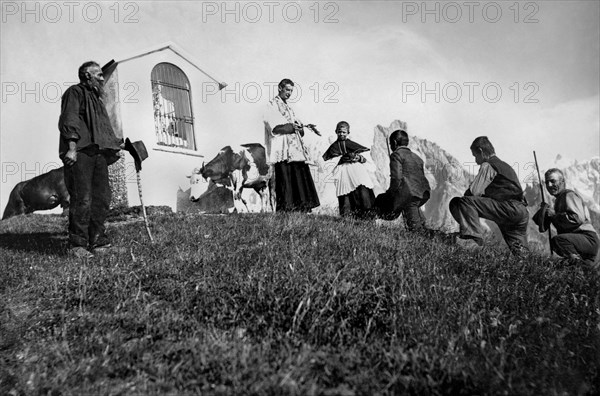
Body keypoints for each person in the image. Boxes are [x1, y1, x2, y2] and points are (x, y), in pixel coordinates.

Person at [59, 61, 122, 258]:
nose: (103, 78)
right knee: (82, 198)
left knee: (102, 198)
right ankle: (77, 245)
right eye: (99, 75)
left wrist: (115, 144)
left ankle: (98, 241)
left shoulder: (97, 99)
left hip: (99, 153)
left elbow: (102, 129)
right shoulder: (74, 92)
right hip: (81, 151)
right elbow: (69, 119)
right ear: (87, 75)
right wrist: (71, 148)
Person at [449, 136, 528, 254]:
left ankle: (471, 239)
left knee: (463, 201)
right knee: (520, 249)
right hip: (521, 212)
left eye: (475, 156)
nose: (476, 161)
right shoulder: (505, 166)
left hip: (507, 208)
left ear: (481, 151)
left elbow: (474, 192)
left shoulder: (489, 165)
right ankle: (526, 263)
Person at [264, 78, 320, 212]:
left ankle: (302, 207)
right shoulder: (271, 105)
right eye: (287, 90)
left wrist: (300, 128)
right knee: (285, 178)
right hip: (282, 148)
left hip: (295, 149)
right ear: (280, 88)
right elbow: (272, 126)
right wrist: (291, 126)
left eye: (291, 91)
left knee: (299, 177)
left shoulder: (289, 108)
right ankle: (286, 209)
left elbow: (298, 127)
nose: (289, 93)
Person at [533, 168, 599, 265]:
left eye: (553, 181)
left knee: (558, 240)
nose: (549, 185)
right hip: (580, 241)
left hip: (587, 238)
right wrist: (544, 212)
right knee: (579, 271)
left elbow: (577, 219)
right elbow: (542, 227)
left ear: (562, 181)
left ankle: (577, 264)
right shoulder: (558, 200)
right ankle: (581, 267)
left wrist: (554, 215)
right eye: (547, 182)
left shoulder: (568, 195)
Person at [374, 129, 431, 231]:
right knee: (419, 224)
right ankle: (435, 236)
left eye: (391, 144)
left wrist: (390, 194)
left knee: (415, 230)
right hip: (423, 193)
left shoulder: (396, 155)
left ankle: (367, 221)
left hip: (408, 195)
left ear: (394, 143)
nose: (391, 147)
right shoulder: (417, 157)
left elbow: (396, 179)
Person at [322, 121, 376, 219]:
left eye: (344, 132)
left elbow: (365, 158)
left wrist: (359, 158)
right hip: (343, 173)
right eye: (339, 132)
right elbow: (328, 162)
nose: (341, 134)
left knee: (362, 192)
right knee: (345, 195)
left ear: (348, 133)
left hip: (357, 171)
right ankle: (347, 219)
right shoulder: (333, 147)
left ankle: (367, 218)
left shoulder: (352, 144)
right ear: (336, 132)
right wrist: (340, 159)